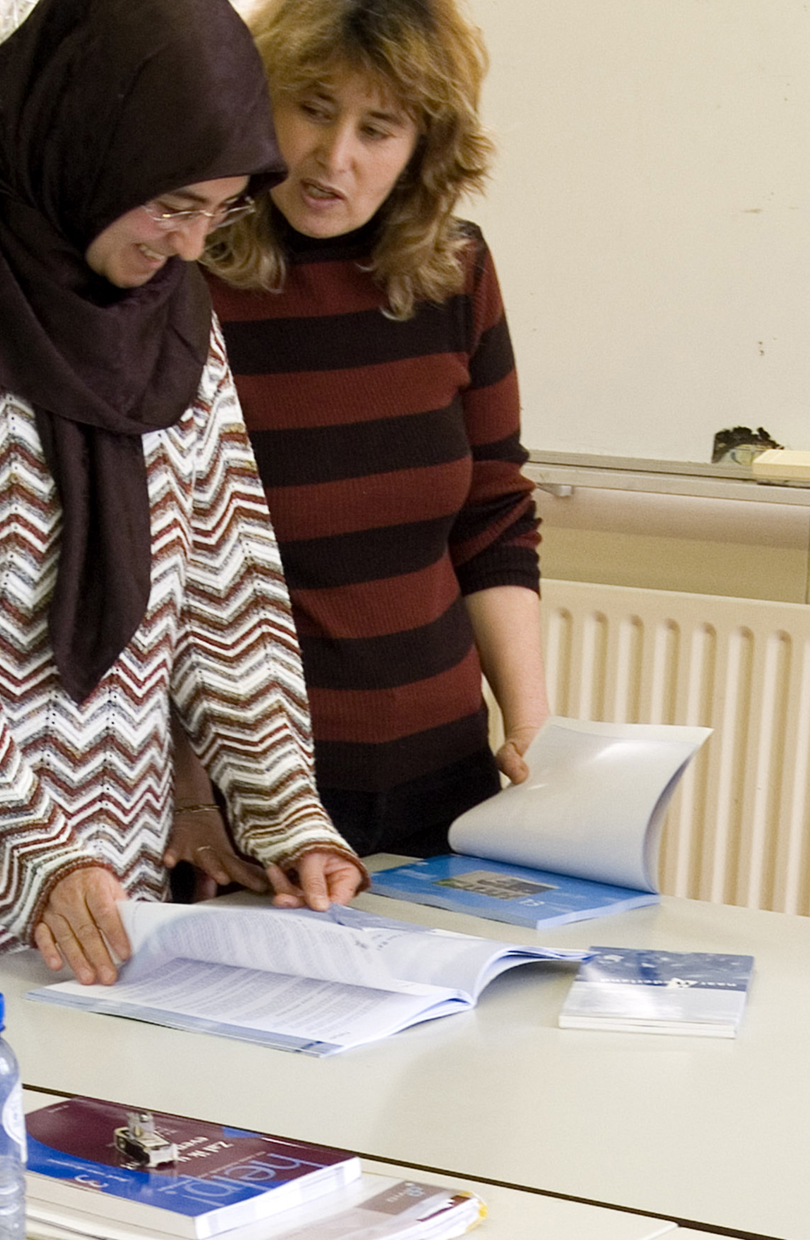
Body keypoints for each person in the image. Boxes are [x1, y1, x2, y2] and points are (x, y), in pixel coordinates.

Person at [0, 0, 366, 985]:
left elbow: (227, 582)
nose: (189, 245)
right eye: (171, 204)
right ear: (91, 144)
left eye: (217, 211)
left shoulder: (171, 315)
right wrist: (39, 855)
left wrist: (285, 813)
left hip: (117, 898)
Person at [194, 0, 547, 864]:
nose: (334, 157)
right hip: (262, 786)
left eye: (377, 129)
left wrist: (535, 732)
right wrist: (187, 796)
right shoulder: (186, 279)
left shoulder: (457, 271)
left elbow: (494, 516)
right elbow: (166, 567)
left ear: (424, 147)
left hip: (446, 771)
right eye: (313, 108)